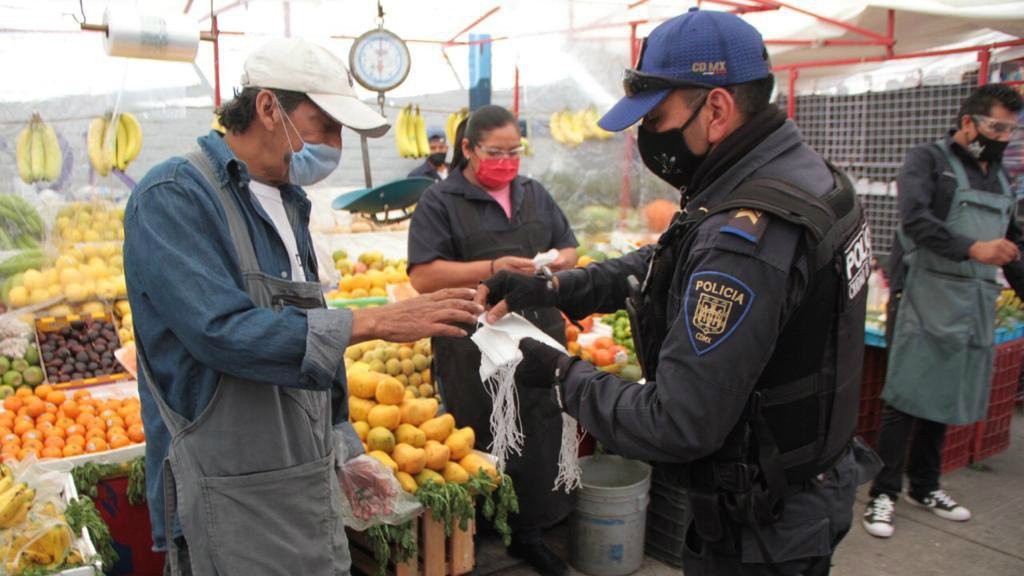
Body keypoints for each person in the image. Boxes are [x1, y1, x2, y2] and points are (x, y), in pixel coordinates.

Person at [478, 9, 878, 575]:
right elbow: (669, 260)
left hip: (765, 523)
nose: (648, 137)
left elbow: (677, 421)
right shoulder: (799, 176)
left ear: (716, 108)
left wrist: (565, 376)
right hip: (803, 481)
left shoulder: (749, 232)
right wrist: (552, 286)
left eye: (657, 116)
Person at [125, 38, 483, 576]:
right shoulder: (173, 197)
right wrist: (375, 321)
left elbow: (309, 339)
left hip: (304, 481)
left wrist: (345, 444)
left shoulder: (290, 202)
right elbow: (221, 332)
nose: (335, 144)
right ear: (269, 108)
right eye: (327, 125)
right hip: (228, 494)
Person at [407, 105, 578, 576]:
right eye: (495, 152)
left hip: (539, 334)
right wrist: (493, 266)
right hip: (474, 345)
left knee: (539, 427)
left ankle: (531, 533)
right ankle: (475, 534)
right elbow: (424, 275)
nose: (507, 161)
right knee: (482, 431)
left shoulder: (533, 194)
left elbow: (570, 247)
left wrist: (553, 262)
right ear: (467, 149)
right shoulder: (439, 202)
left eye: (514, 151)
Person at [863, 84, 1024, 539]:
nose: (1003, 137)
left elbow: (1010, 245)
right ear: (968, 122)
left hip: (970, 301)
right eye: (996, 127)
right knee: (905, 395)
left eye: (1011, 130)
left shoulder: (1000, 177)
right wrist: (975, 248)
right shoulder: (928, 161)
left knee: (943, 392)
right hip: (923, 294)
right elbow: (915, 221)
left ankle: (926, 485)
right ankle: (884, 491)